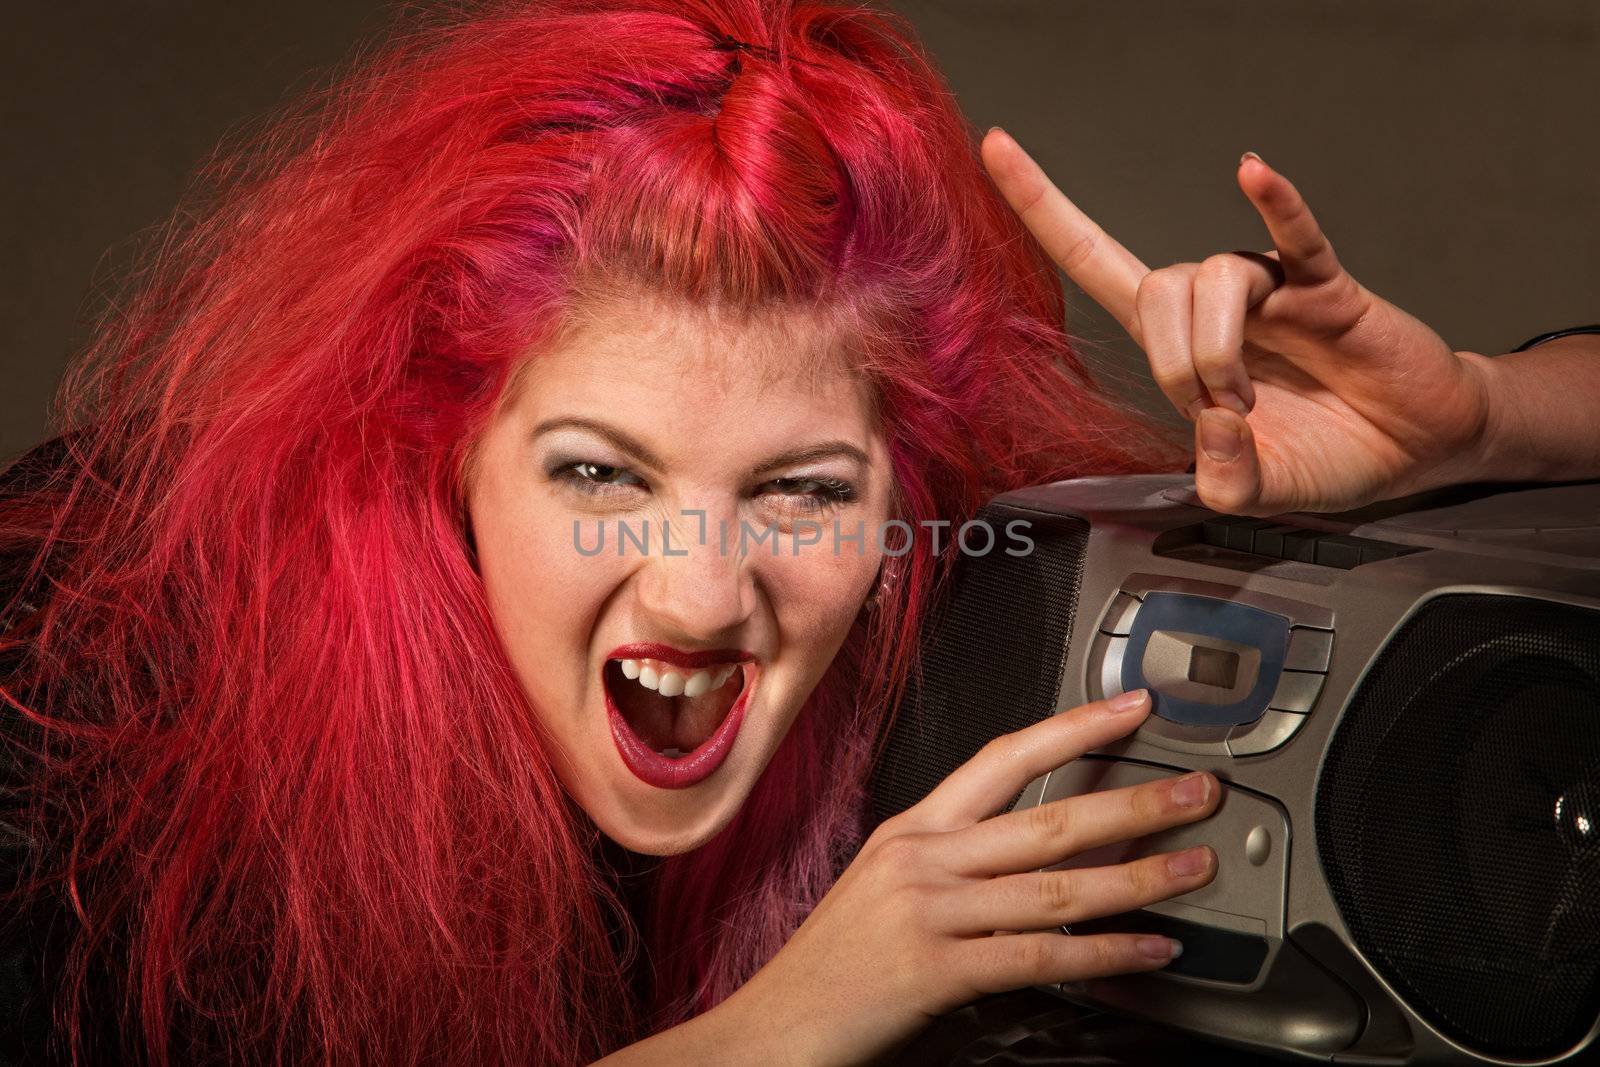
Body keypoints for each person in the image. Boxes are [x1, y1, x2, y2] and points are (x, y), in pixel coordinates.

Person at [1, 1, 1595, 1064]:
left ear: (912, 493)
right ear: (439, 445)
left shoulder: (957, 677)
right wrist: (780, 1030)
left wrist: (1480, 414)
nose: (702, 595)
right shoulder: (97, 678)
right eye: (599, 476)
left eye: (805, 494)